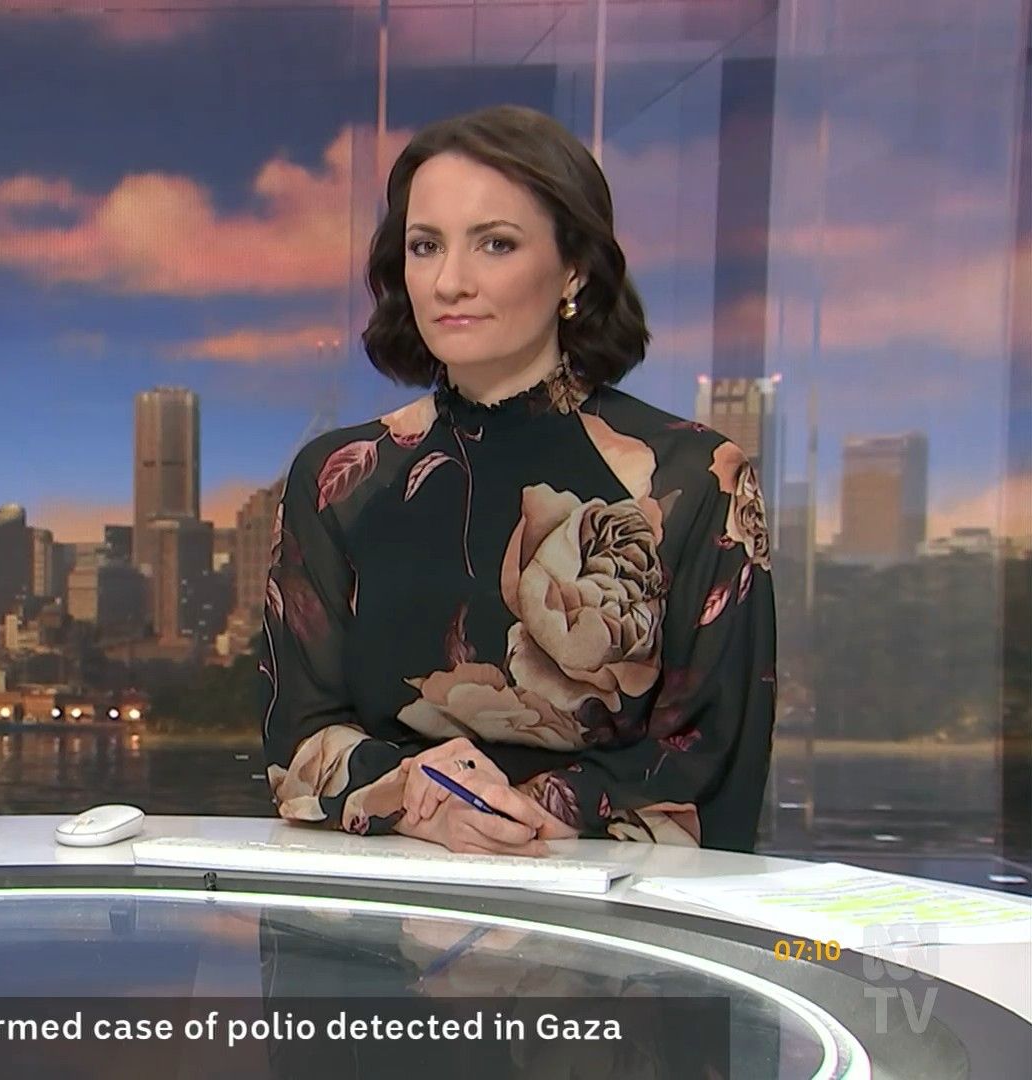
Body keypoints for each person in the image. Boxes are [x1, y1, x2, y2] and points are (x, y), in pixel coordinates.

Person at [262, 105, 775, 854]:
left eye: (495, 243)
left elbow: (714, 761)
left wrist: (516, 812)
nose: (450, 281)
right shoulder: (336, 480)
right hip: (388, 887)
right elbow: (297, 743)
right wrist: (417, 795)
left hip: (598, 899)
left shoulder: (699, 478)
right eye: (425, 246)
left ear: (574, 268)